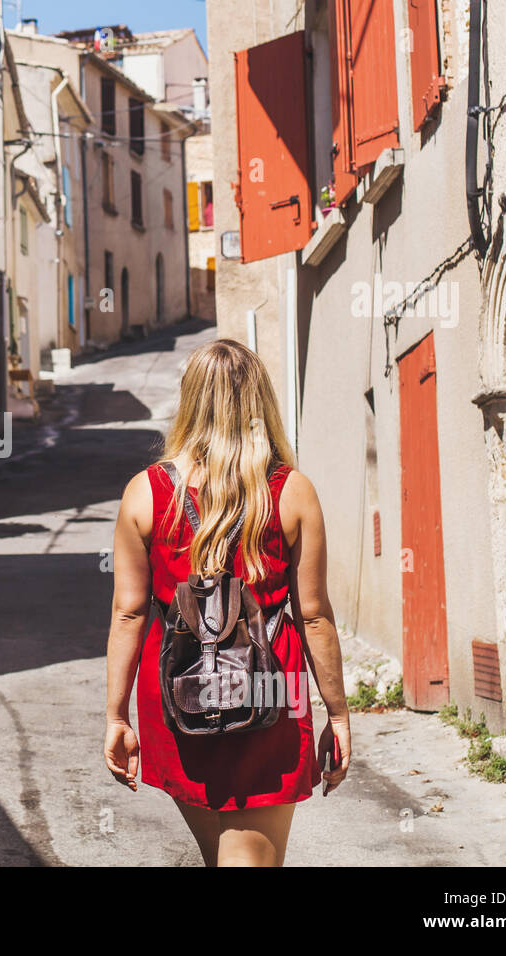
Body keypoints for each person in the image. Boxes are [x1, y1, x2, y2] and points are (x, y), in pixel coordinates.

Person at [103, 338, 351, 866]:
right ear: (260, 402)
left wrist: (116, 715)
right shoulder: (289, 491)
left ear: (189, 401)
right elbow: (313, 614)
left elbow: (130, 611)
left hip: (177, 691)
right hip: (269, 691)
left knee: (226, 858)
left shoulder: (144, 493)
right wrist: (340, 714)